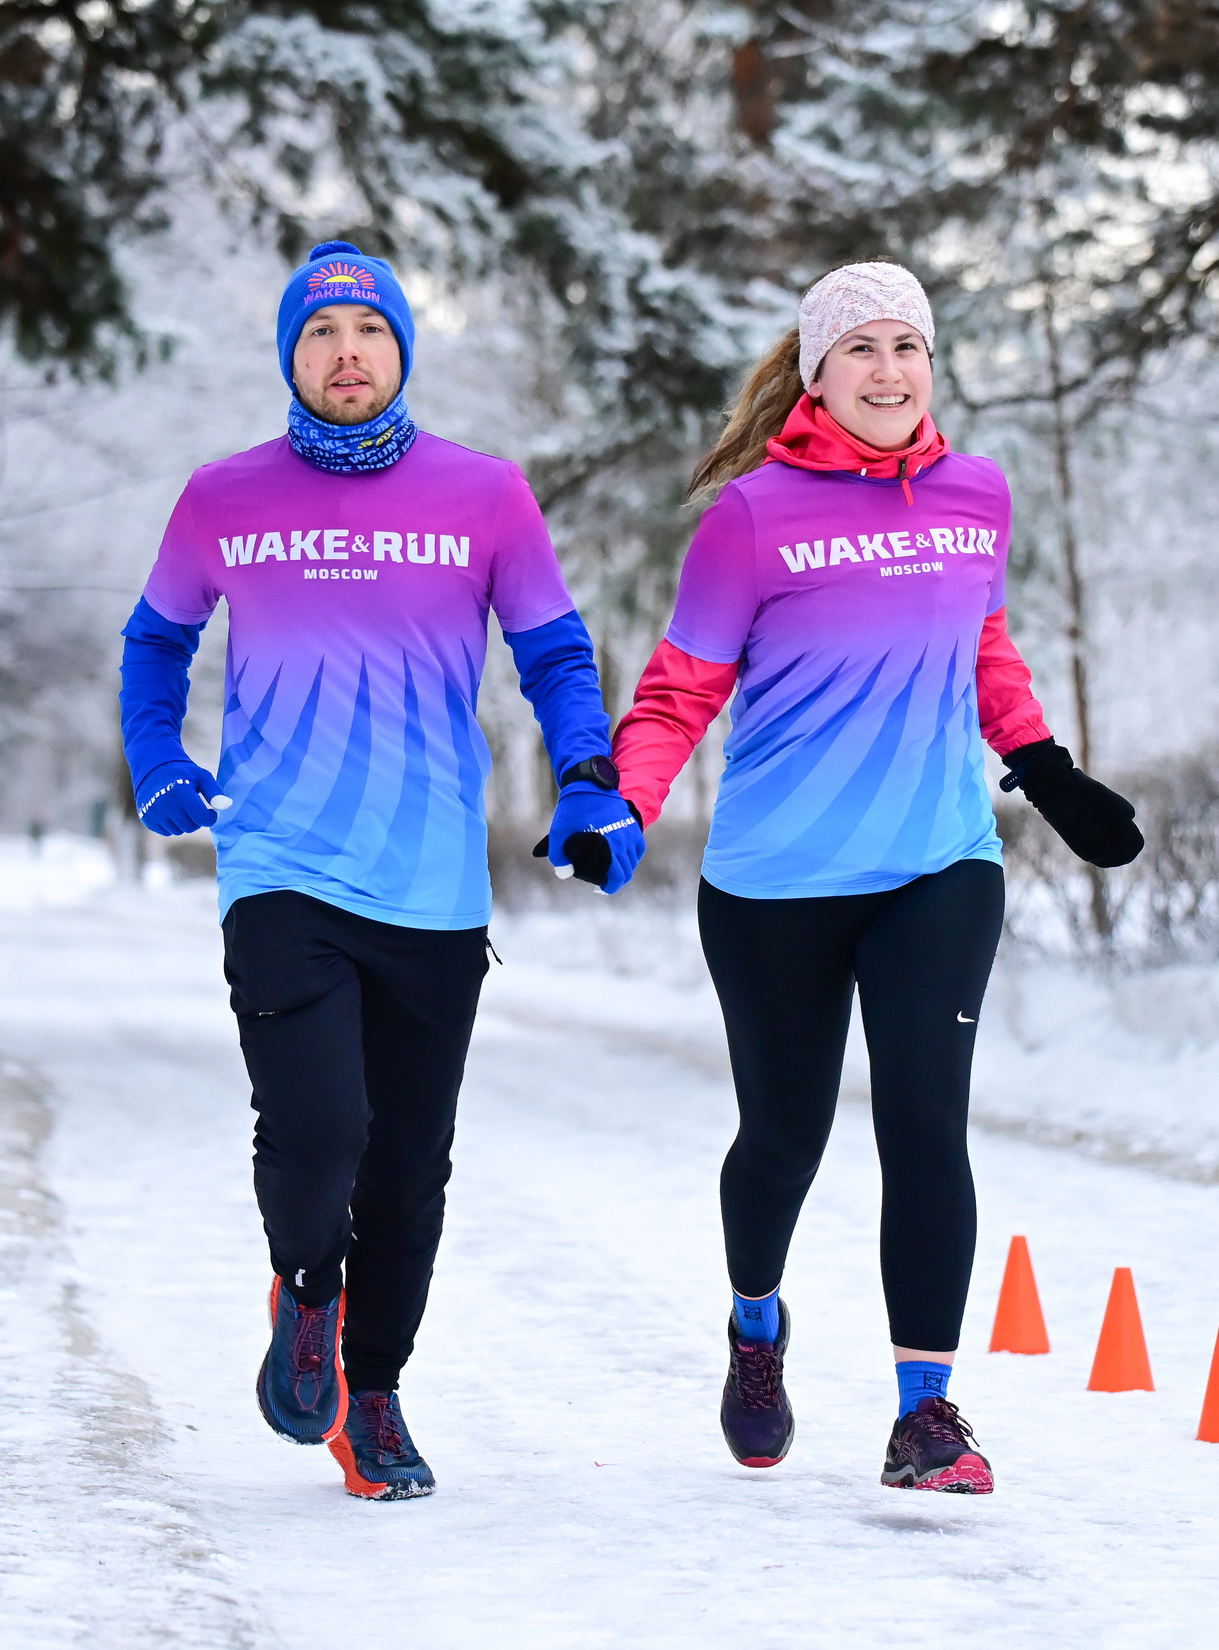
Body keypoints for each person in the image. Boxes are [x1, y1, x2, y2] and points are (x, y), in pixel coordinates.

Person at [118, 241, 644, 1502]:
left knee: (408, 1164)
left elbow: (559, 655)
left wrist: (586, 774)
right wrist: (159, 759)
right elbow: (155, 642)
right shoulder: (223, 497)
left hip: (431, 883)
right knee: (320, 1131)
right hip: (280, 864)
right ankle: (307, 1289)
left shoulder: (486, 496)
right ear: (291, 360)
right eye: (319, 334)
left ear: (403, 351)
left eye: (369, 331)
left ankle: (377, 1390)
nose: (344, 352)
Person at [611, 262, 1141, 1494]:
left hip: (934, 865)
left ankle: (925, 1414)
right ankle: (755, 1325)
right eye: (863, 349)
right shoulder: (749, 516)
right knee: (783, 1136)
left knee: (923, 1124)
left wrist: (1044, 769)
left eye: (911, 346)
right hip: (775, 881)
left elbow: (982, 643)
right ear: (817, 371)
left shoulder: (976, 495)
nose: (891, 370)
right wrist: (622, 804)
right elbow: (681, 685)